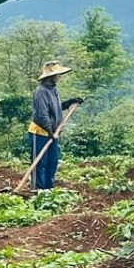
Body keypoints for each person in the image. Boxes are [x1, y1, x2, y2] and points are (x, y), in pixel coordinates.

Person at [28, 61, 80, 191]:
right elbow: (43, 115)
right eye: (57, 75)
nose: (59, 77)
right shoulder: (40, 92)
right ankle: (37, 190)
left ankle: (48, 190)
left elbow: (55, 109)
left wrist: (69, 103)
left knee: (52, 162)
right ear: (50, 77)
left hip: (52, 133)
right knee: (40, 163)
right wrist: (50, 132)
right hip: (39, 133)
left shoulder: (53, 90)